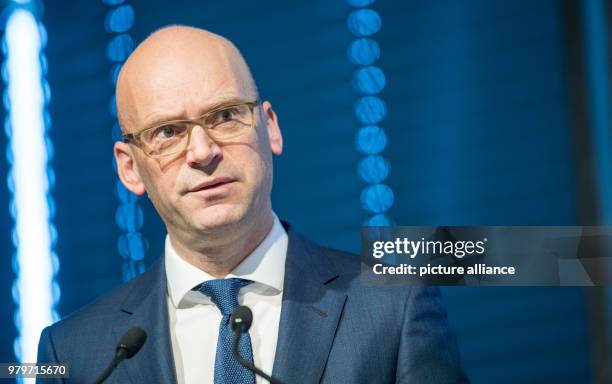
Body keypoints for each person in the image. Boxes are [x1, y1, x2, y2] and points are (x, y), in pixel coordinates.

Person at [37, 26, 468, 383]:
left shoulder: (394, 306)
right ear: (130, 168)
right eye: (168, 132)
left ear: (271, 128)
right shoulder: (74, 355)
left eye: (225, 116)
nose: (203, 151)